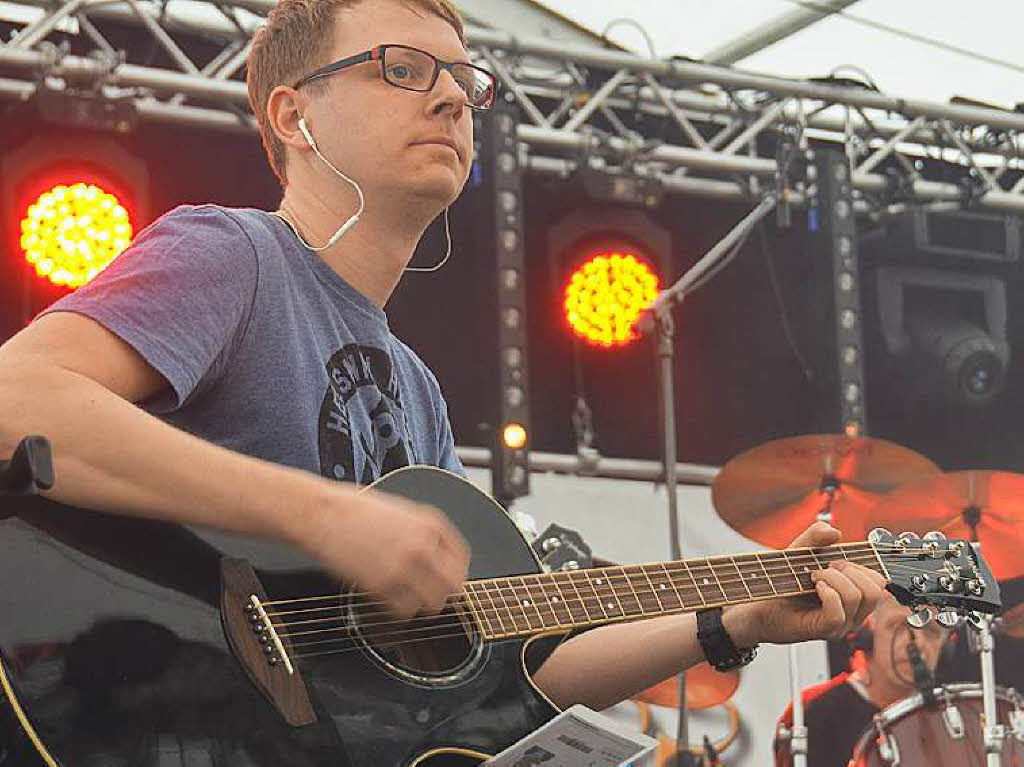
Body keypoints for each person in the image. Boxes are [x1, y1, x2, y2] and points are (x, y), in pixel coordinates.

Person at [0, 0, 885, 721]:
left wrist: (737, 620)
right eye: (401, 67)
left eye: (465, 80)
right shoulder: (232, 255)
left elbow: (512, 672)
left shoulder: (415, 387)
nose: (453, 99)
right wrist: (323, 515)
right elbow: (16, 395)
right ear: (292, 112)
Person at [773, 593, 951, 767]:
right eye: (899, 626)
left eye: (931, 630)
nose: (917, 641)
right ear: (867, 636)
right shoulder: (817, 709)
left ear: (946, 649)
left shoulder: (953, 716)